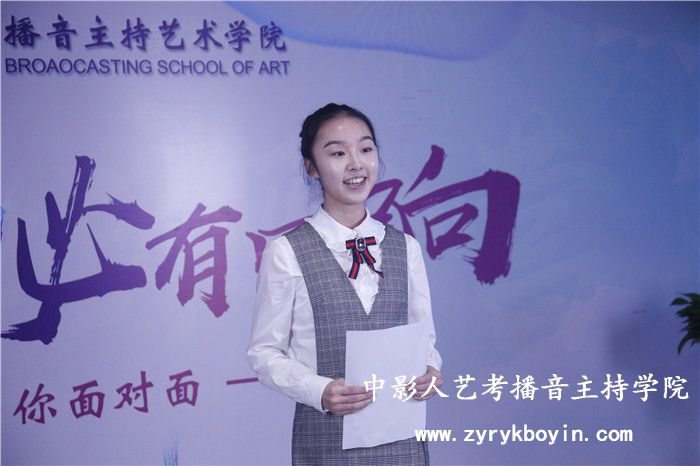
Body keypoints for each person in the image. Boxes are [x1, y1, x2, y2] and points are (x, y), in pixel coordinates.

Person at [246, 103, 443, 465]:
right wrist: (320, 390)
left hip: (401, 443)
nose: (356, 164)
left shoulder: (405, 248)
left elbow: (424, 338)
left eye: (365, 149)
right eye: (338, 153)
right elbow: (264, 353)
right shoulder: (286, 252)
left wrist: (430, 371)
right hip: (326, 442)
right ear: (312, 167)